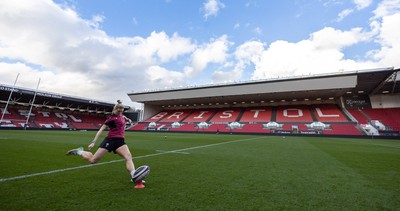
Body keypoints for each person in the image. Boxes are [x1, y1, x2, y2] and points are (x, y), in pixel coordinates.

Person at [66, 100, 139, 184]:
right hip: (110, 140)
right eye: (118, 111)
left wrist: (128, 120)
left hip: (120, 141)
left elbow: (124, 117)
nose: (120, 113)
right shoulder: (110, 119)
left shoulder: (121, 115)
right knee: (92, 160)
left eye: (121, 111)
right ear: (114, 109)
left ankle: (134, 176)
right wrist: (93, 142)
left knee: (128, 157)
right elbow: (100, 130)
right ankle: (79, 151)